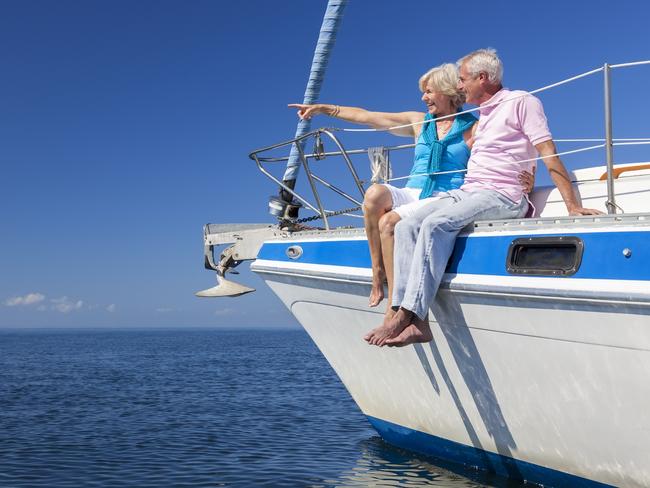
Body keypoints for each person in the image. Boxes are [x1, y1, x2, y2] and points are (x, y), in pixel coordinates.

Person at [364, 48, 602, 348]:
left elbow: (546, 150)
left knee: (437, 224)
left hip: (502, 195)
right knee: (406, 226)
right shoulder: (482, 116)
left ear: (483, 78)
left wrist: (572, 204)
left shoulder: (522, 101)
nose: (460, 87)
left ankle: (405, 314)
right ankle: (416, 322)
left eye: (463, 80)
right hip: (469, 191)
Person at [290, 64, 533, 313]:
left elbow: (512, 145)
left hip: (443, 196)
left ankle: (395, 303)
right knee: (374, 194)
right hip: (412, 191)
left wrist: (527, 176)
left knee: (389, 223)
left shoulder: (474, 126)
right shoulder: (419, 122)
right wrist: (324, 109)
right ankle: (377, 274)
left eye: (429, 91)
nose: (423, 98)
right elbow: (368, 116)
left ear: (448, 91)